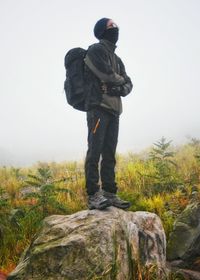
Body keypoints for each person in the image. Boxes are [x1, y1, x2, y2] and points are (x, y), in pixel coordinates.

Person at [84, 18, 133, 210]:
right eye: (111, 26)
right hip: (98, 107)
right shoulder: (95, 51)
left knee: (110, 153)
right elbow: (107, 76)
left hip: (114, 110)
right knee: (95, 151)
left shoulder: (118, 59)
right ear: (102, 31)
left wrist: (119, 88)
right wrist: (120, 82)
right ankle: (93, 195)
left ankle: (110, 193)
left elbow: (129, 84)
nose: (116, 28)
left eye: (116, 26)